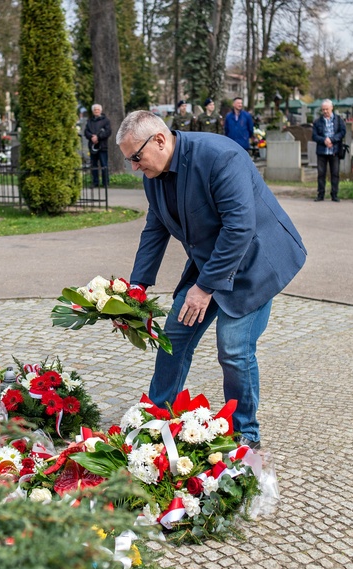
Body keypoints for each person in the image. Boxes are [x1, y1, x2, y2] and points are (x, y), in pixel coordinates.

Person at [117, 110, 307, 449]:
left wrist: (204, 288)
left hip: (255, 262)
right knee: (174, 335)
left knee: (233, 348)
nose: (134, 167)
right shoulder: (153, 174)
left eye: (136, 157)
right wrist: (136, 288)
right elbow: (155, 228)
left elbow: (239, 228)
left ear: (159, 140)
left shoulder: (221, 156)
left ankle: (244, 431)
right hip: (211, 263)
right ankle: (156, 414)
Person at [311, 99, 346, 202]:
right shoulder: (317, 122)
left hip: (334, 150)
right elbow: (314, 136)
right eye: (323, 110)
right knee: (321, 173)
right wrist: (324, 140)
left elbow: (342, 132)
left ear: (332, 108)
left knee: (335, 173)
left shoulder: (339, 120)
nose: (325, 111)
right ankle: (320, 194)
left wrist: (332, 140)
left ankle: (334, 194)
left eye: (327, 109)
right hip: (322, 151)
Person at [83, 103, 111, 188]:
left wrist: (98, 137)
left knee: (104, 165)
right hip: (92, 147)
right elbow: (86, 132)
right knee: (94, 165)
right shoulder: (90, 121)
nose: (96, 111)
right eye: (95, 110)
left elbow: (108, 132)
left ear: (101, 111)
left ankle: (105, 183)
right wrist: (92, 137)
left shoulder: (106, 120)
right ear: (93, 111)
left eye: (98, 110)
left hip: (102, 146)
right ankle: (95, 182)